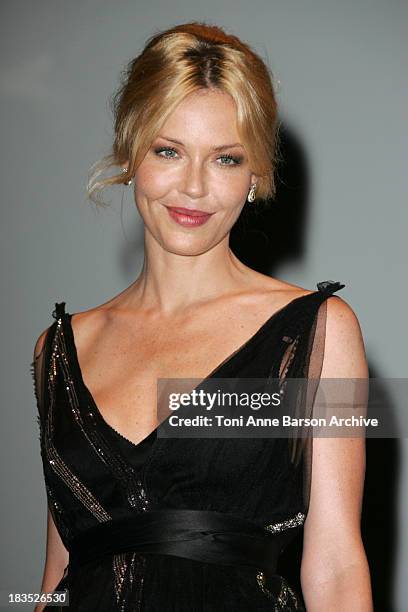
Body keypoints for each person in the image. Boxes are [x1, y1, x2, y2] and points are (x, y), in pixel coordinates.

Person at [31, 21, 373, 611]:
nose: (193, 187)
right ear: (129, 154)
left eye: (225, 159)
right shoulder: (58, 351)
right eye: (168, 151)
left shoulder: (320, 332)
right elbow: (57, 576)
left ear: (255, 175)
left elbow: (338, 567)